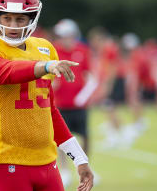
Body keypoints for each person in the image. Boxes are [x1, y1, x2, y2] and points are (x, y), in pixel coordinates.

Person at [0, 0, 93, 191]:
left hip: (47, 164)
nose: (12, 26)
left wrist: (79, 158)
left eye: (20, 19)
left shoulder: (44, 48)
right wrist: (45, 66)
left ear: (33, 17)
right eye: (6, 18)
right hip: (7, 163)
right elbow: (3, 72)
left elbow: (49, 111)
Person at [52, 19, 99, 187]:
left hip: (79, 105)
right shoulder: (54, 50)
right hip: (60, 104)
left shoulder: (82, 50)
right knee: (60, 139)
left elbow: (89, 75)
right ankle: (64, 170)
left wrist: (85, 96)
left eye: (66, 35)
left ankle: (85, 165)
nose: (63, 39)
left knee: (85, 135)